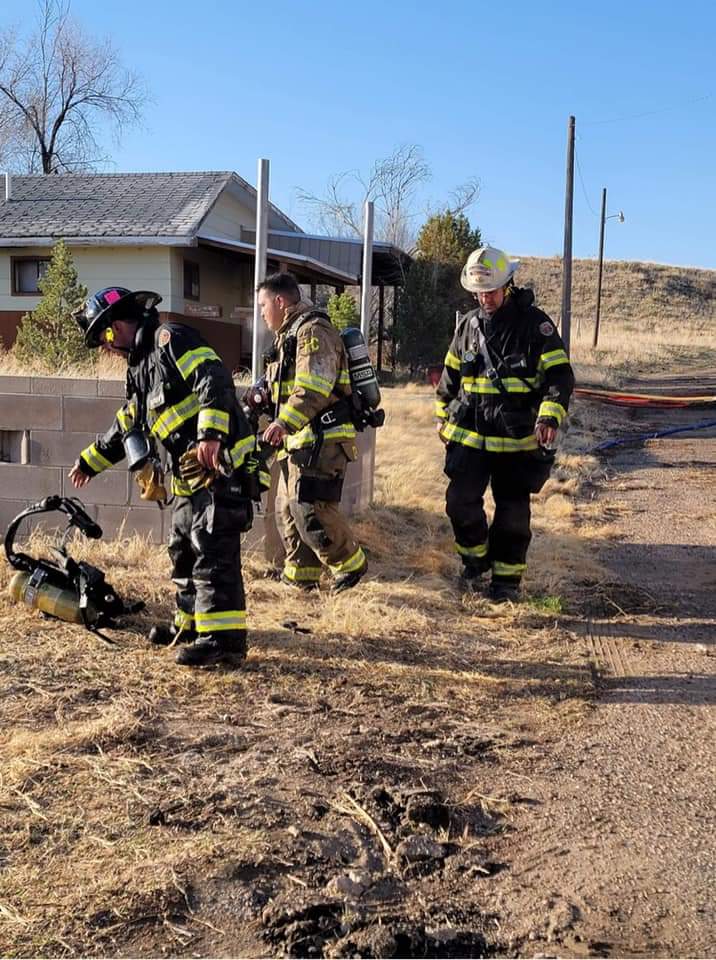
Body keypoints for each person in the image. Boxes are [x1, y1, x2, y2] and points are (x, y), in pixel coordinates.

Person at [69, 286, 257, 667]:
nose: (105, 347)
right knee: (183, 549)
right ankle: (189, 625)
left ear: (119, 324)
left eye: (104, 336)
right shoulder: (139, 369)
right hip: (189, 478)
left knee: (212, 551)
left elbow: (214, 379)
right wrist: (90, 461)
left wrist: (210, 434)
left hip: (222, 467)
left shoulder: (170, 339)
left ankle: (224, 641)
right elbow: (127, 425)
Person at [435, 247, 575, 602]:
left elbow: (560, 376)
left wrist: (549, 415)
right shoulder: (467, 327)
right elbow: (449, 379)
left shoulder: (534, 325)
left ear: (507, 285)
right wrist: (442, 417)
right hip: (471, 438)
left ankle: (506, 585)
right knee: (459, 503)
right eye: (479, 292)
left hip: (516, 442)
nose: (485, 298)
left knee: (512, 517)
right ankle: (475, 561)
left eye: (492, 290)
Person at [256, 272, 367, 592]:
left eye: (263, 305)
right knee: (288, 510)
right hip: (299, 439)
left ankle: (350, 565)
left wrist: (281, 423)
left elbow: (314, 387)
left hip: (323, 437)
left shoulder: (312, 332)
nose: (262, 313)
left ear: (280, 301)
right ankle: (301, 577)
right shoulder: (288, 336)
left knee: (311, 507)